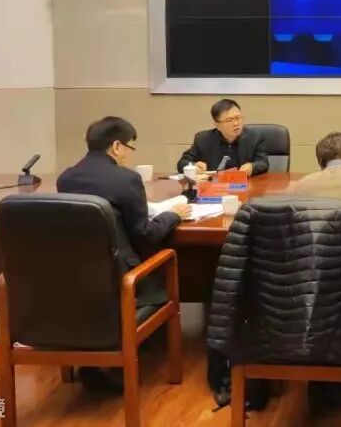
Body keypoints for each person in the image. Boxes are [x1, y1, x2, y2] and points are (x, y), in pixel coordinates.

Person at [57, 116, 190, 392]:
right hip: (123, 282)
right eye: (131, 147)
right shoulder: (126, 179)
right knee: (166, 267)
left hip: (77, 281)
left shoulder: (66, 178)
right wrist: (173, 215)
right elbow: (147, 235)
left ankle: (92, 364)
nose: (130, 154)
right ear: (117, 146)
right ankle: (142, 352)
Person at [177, 99, 268, 175]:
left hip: (244, 185)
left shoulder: (254, 137)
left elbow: (263, 163)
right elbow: (182, 162)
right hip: (214, 187)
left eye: (238, 118)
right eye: (229, 120)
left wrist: (252, 167)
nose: (236, 123)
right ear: (217, 125)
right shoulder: (203, 139)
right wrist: (194, 166)